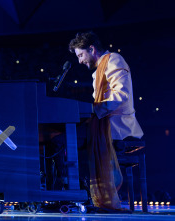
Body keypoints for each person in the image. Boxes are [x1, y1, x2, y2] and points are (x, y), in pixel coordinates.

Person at [68, 32, 143, 211]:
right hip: (107, 121)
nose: (79, 61)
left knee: (69, 142)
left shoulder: (114, 60)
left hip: (119, 124)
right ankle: (84, 192)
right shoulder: (99, 70)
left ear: (92, 49)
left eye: (80, 55)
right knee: (68, 139)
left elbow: (121, 95)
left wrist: (94, 110)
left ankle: (89, 194)